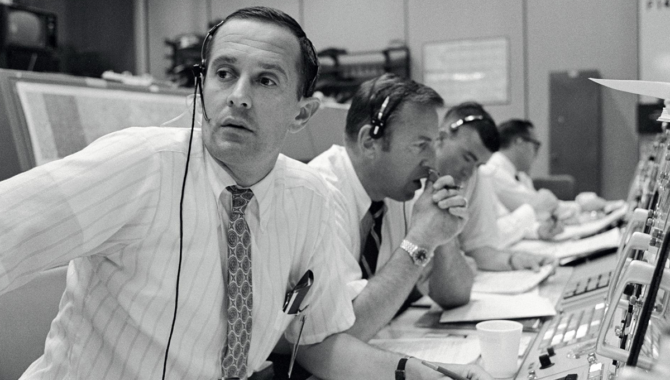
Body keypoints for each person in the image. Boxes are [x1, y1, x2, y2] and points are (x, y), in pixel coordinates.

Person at [0, 7, 492, 380]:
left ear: (302, 113)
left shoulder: (306, 198)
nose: (237, 95)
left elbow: (319, 342)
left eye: (265, 80)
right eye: (223, 73)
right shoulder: (140, 166)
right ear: (202, 88)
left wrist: (411, 373)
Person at [308, 74, 474, 341]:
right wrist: (420, 240)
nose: (432, 162)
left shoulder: (400, 190)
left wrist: (442, 235)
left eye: (434, 145)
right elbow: (343, 332)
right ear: (369, 143)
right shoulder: (318, 195)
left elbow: (456, 296)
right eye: (421, 146)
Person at [432, 102, 554, 272]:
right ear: (441, 137)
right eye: (467, 158)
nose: (469, 172)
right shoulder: (410, 180)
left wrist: (514, 260)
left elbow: (479, 249)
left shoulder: (476, 176)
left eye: (478, 164)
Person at [486, 119, 603, 224]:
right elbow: (539, 207)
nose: (536, 153)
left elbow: (544, 207)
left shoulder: (519, 174)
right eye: (535, 145)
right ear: (519, 143)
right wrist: (580, 206)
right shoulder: (494, 171)